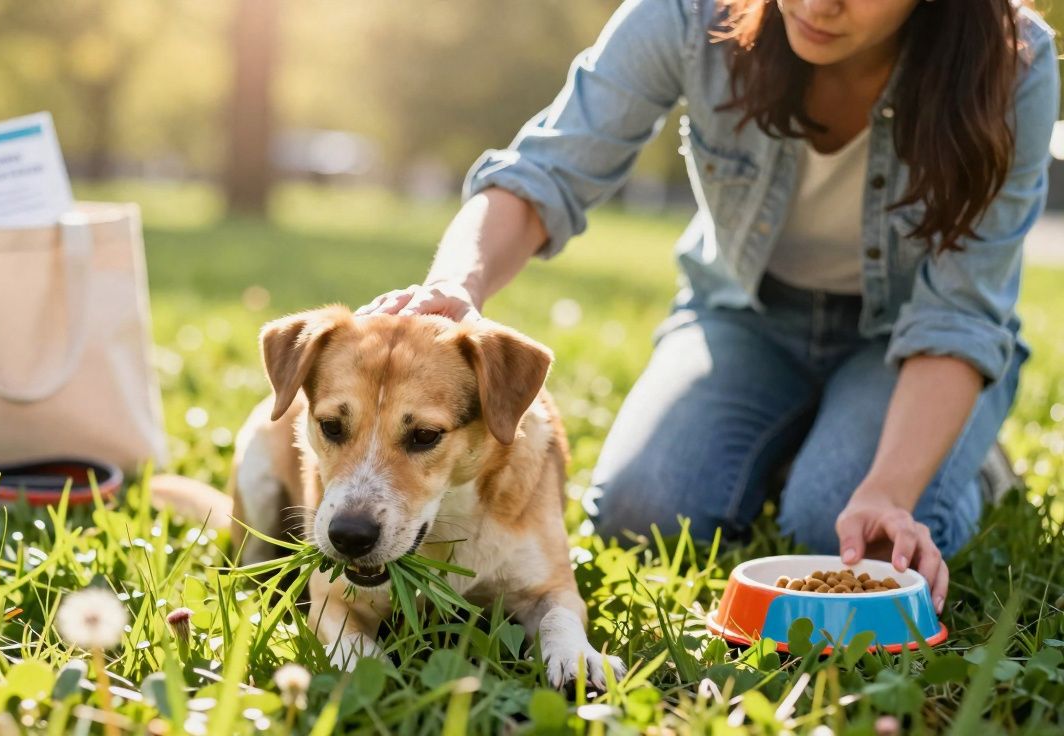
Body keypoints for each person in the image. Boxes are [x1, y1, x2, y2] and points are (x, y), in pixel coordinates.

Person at [358, 0, 1060, 614]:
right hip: (745, 316)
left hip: (908, 345)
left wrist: (890, 491)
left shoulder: (1013, 66)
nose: (816, 4)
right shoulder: (689, 15)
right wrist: (457, 283)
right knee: (644, 512)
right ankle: (815, 435)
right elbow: (544, 173)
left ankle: (967, 459)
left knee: (838, 531)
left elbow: (958, 315)